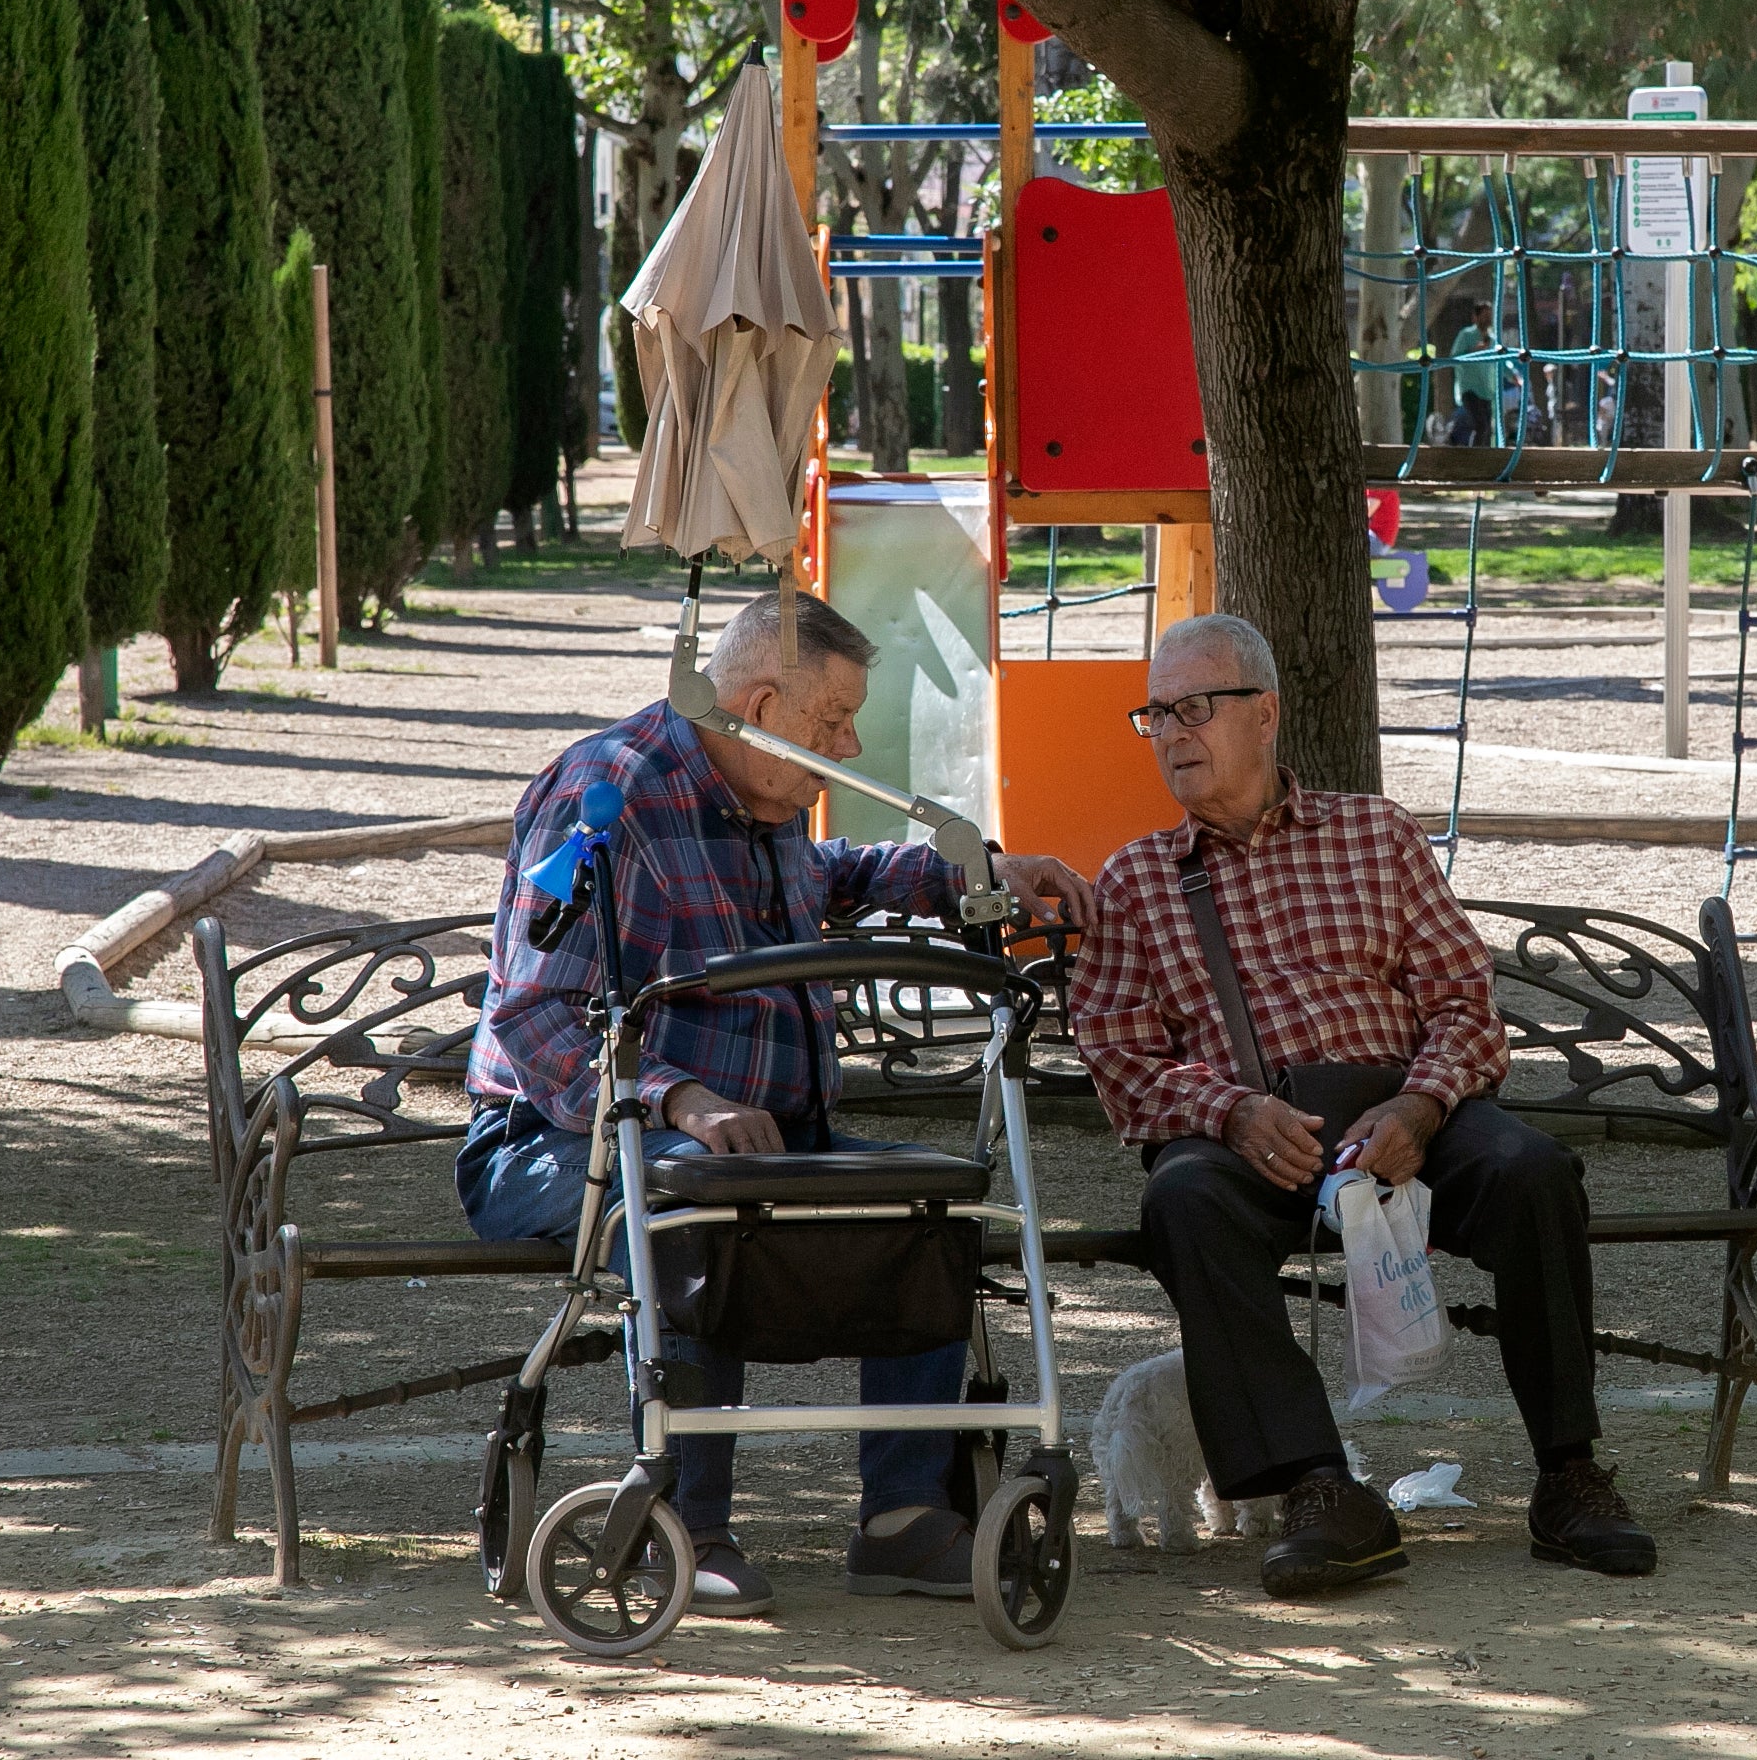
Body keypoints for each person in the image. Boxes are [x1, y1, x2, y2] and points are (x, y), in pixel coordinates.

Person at [458, 590, 1093, 1618]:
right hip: (561, 1138)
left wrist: (968, 872)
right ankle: (690, 1524)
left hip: (759, 1142)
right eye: (833, 721)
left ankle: (901, 1518)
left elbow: (828, 875)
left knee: (926, 1216)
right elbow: (537, 1020)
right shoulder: (611, 793)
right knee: (686, 1221)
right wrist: (679, 1099)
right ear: (757, 702)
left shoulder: (766, 799)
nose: (849, 741)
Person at [1068, 613, 1657, 1598]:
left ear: (1265, 716)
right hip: (1252, 1137)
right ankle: (1319, 1490)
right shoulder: (1136, 880)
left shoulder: (1374, 834)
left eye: (1192, 708)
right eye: (1155, 713)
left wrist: (1421, 1109)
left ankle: (1570, 1474)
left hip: (1402, 1113)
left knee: (1532, 1171)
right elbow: (1118, 1058)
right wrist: (1230, 1112)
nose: (1170, 732)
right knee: (1182, 1202)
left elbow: (1465, 1003)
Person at [1444, 309, 1499, 446]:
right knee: (1481, 425)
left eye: (1489, 315)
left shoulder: (1492, 339)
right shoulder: (1466, 335)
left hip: (1486, 389)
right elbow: (1454, 357)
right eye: (1484, 315)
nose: (1487, 319)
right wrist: (1473, 351)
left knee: (1487, 428)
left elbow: (1500, 360)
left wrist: (1513, 375)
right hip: (1470, 388)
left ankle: (1483, 457)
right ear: (1475, 317)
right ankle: (1474, 455)